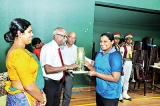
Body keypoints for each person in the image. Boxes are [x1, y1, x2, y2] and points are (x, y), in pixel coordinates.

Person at [4, 18, 46, 106]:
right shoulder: (18, 54)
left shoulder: (21, 51)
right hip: (23, 99)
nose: (32, 34)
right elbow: (29, 86)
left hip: (26, 95)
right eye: (29, 32)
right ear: (19, 33)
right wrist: (41, 99)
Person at [40, 27, 80, 106]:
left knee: (56, 103)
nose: (65, 39)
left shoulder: (57, 48)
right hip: (50, 83)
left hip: (57, 82)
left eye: (65, 36)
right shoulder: (49, 48)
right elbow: (48, 69)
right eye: (64, 36)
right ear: (55, 36)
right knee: (49, 103)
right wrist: (67, 67)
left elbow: (57, 64)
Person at [84, 32, 122, 106]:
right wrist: (88, 65)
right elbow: (97, 69)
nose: (102, 43)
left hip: (111, 94)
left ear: (112, 42)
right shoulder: (99, 53)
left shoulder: (115, 56)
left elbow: (115, 78)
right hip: (99, 91)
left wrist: (95, 74)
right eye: (101, 41)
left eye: (105, 41)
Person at [60, 32, 94, 106]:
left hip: (69, 74)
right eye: (70, 37)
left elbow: (83, 58)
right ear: (67, 37)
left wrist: (92, 62)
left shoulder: (76, 49)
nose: (72, 39)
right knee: (57, 92)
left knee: (67, 93)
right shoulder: (60, 46)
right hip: (58, 72)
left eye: (74, 38)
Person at [119, 33, 134, 101]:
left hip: (129, 62)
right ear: (125, 40)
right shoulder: (122, 47)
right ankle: (119, 94)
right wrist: (121, 67)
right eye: (128, 39)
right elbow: (120, 57)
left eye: (131, 39)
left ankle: (125, 93)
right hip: (124, 62)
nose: (130, 40)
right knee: (122, 79)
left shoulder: (131, 46)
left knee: (127, 79)